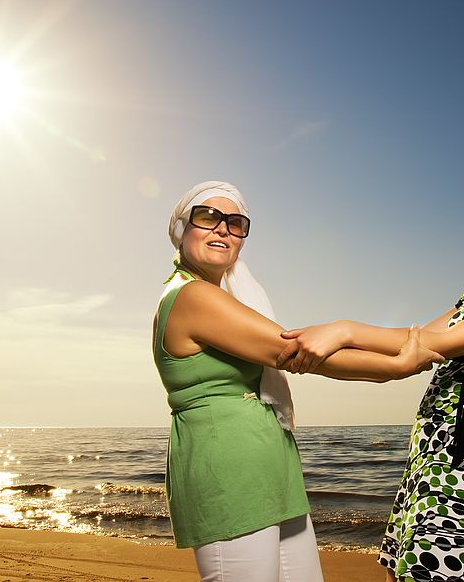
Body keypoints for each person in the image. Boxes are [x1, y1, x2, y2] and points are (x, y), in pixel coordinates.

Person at [275, 162, 464, 582]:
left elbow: (442, 344)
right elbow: (413, 340)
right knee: (403, 573)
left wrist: (343, 330)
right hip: (428, 454)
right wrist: (313, 356)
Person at [152, 180, 442, 582]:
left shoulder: (223, 299)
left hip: (273, 467)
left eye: (236, 223)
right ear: (183, 230)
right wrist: (396, 366)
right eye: (208, 217)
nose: (223, 229)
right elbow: (294, 351)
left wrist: (415, 340)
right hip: (228, 473)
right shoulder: (193, 297)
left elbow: (300, 343)